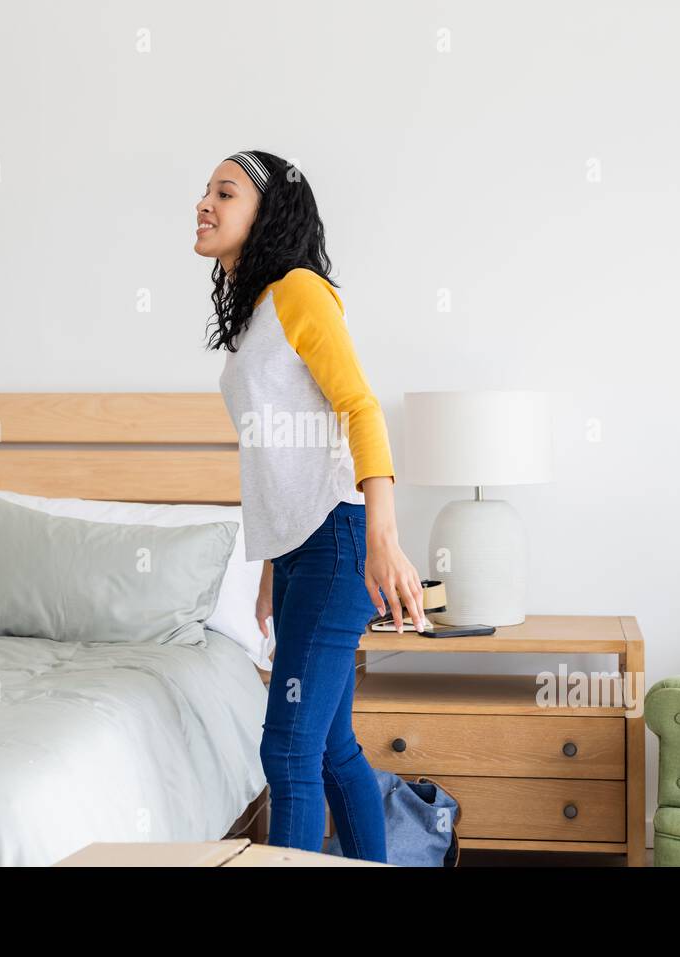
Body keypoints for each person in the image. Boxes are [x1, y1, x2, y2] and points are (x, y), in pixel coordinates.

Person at [196, 150, 429, 862]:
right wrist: (272, 562)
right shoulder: (258, 316)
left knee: (288, 751)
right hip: (303, 550)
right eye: (204, 191)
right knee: (330, 750)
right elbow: (273, 459)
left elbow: (360, 406)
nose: (204, 203)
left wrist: (383, 538)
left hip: (336, 540)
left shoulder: (301, 291)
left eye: (224, 192)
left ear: (267, 210)